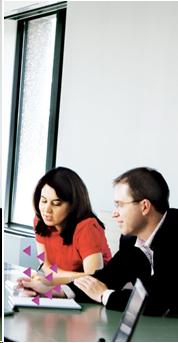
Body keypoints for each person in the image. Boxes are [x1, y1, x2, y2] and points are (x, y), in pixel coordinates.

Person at [19, 167, 178, 316]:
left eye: (120, 205)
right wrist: (56, 291)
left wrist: (104, 295)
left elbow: (161, 300)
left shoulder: (174, 234)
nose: (115, 214)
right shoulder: (130, 240)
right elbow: (107, 277)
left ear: (144, 206)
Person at [31, 166, 111, 281]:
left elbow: (93, 278)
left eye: (56, 203)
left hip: (91, 292)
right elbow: (46, 266)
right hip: (63, 286)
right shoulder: (40, 221)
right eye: (43, 201)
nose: (46, 210)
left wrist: (50, 280)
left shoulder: (87, 228)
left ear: (73, 205)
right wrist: (51, 280)